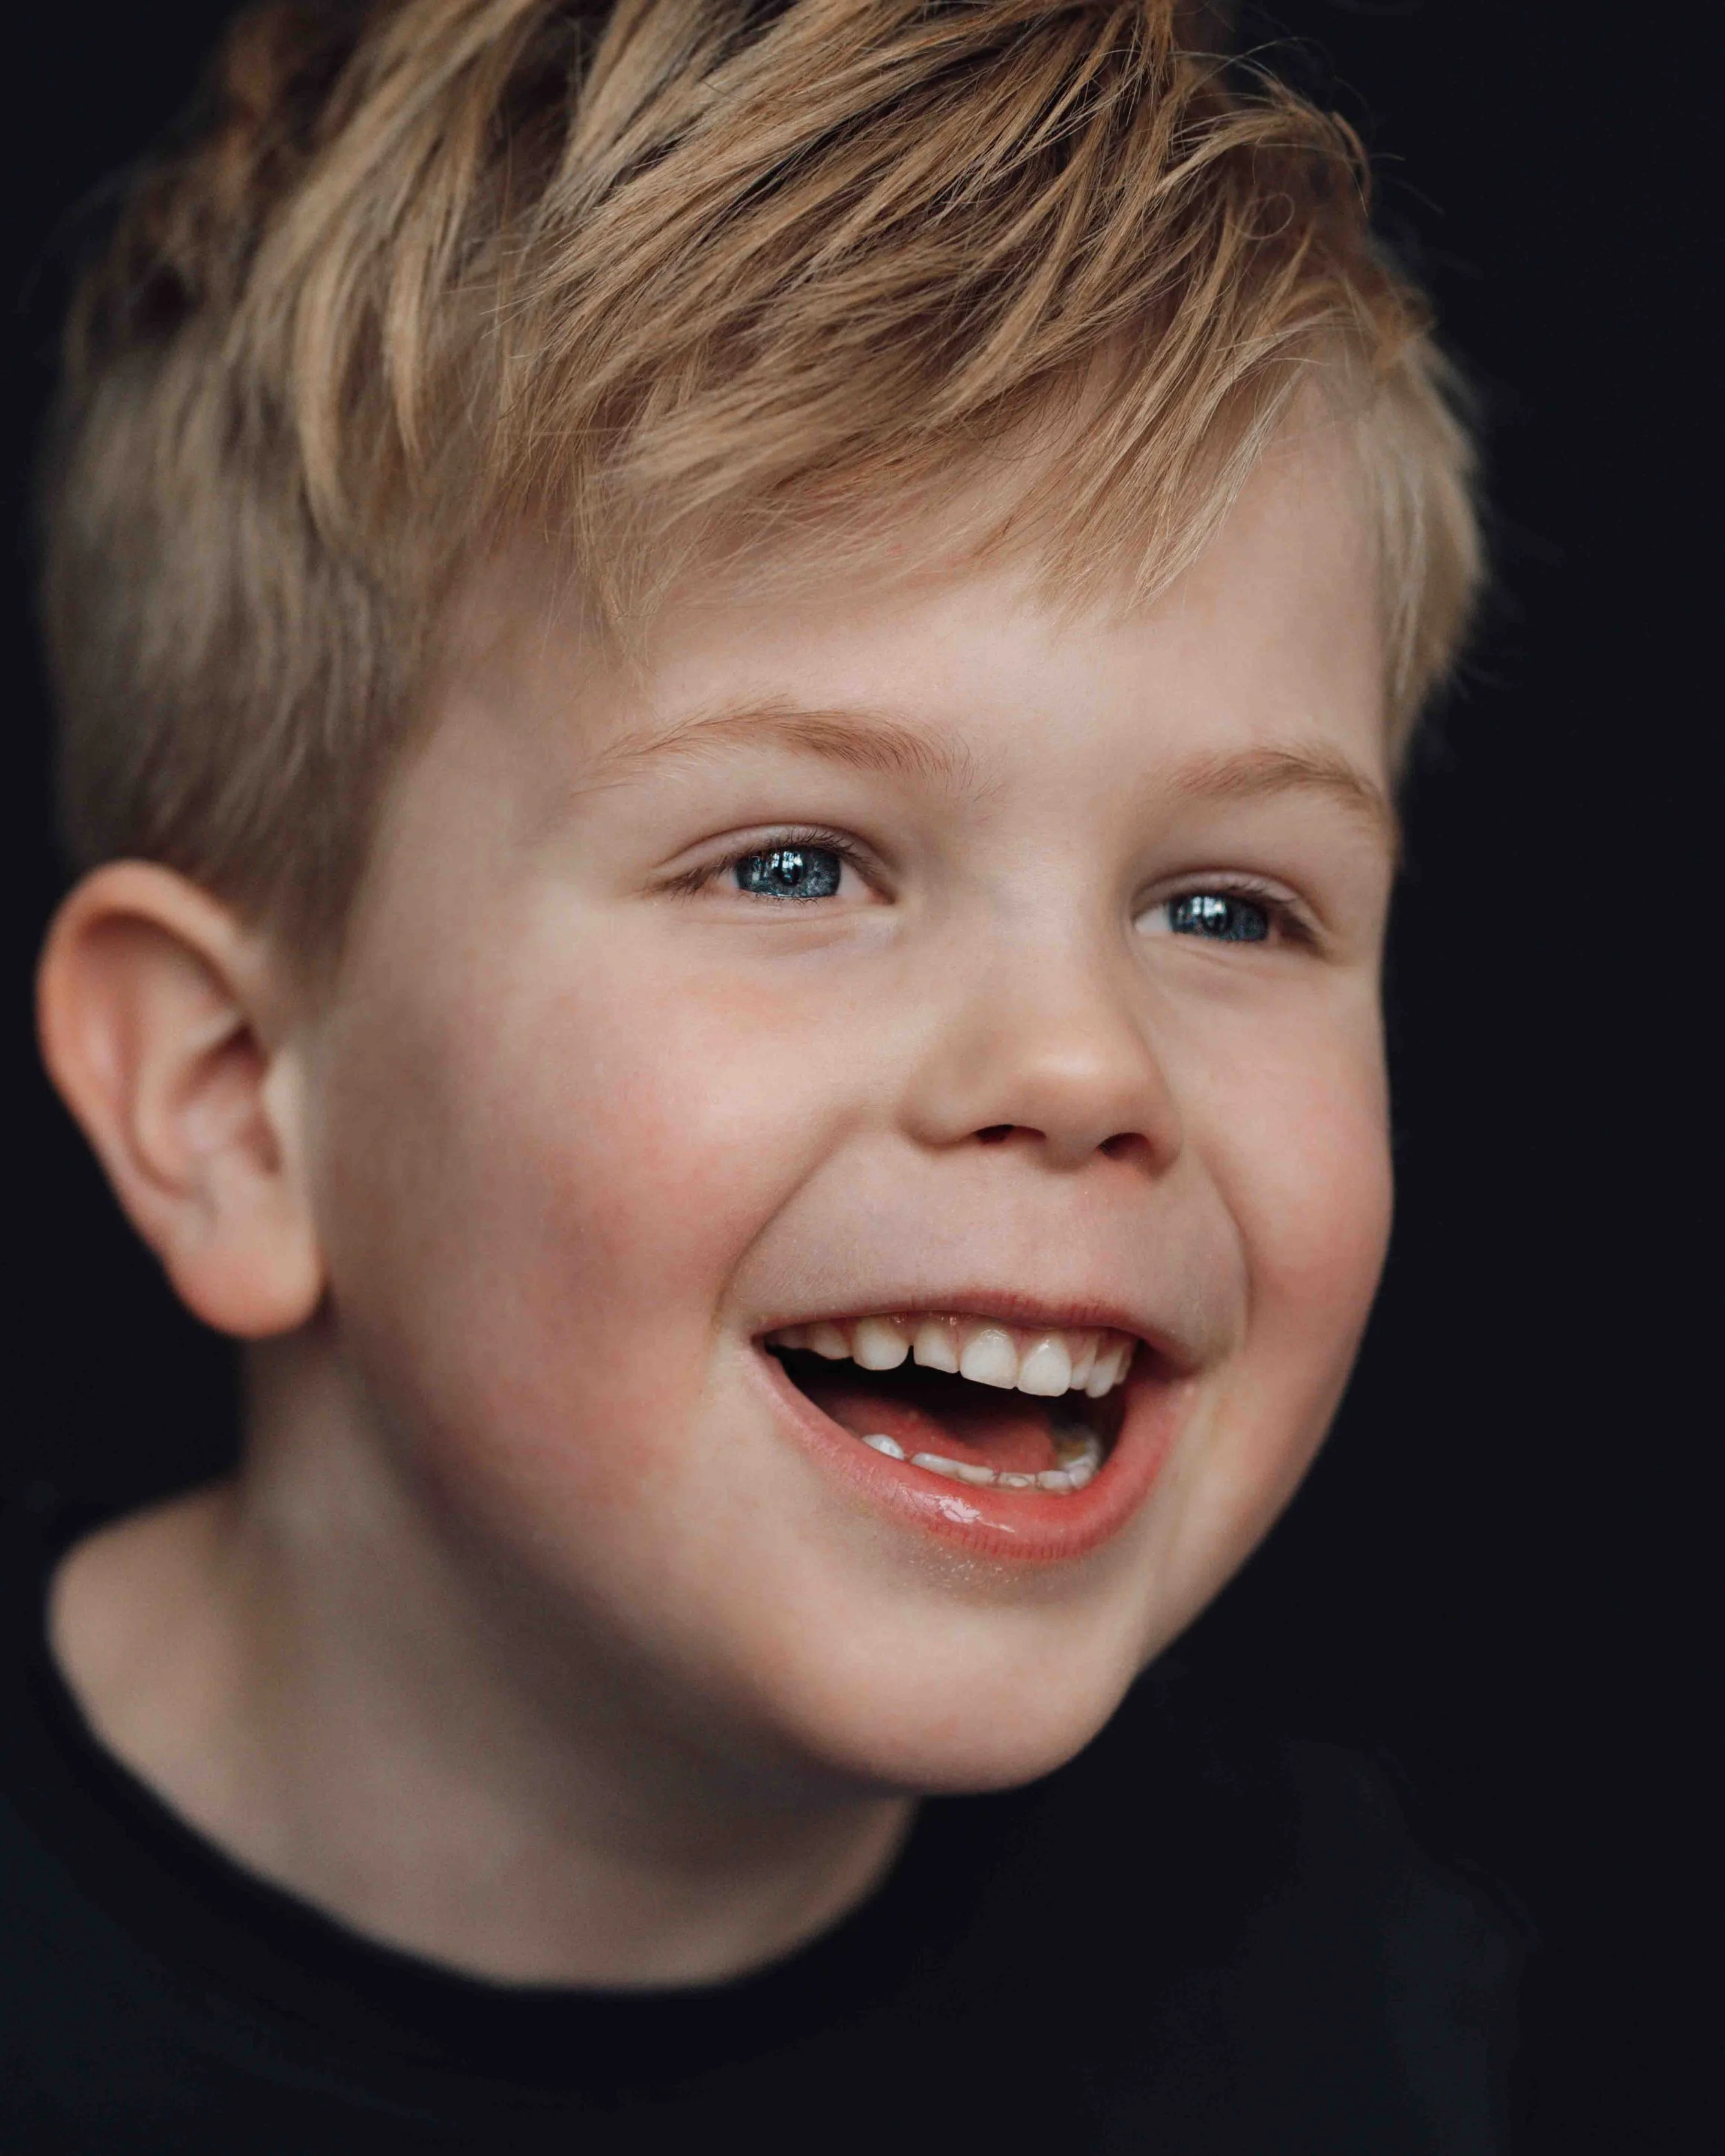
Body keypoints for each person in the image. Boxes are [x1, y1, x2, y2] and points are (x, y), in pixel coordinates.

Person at [2, 0, 1522, 2145]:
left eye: (1225, 908)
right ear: (237, 1098)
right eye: (796, 861)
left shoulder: (1382, 2013)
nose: (1088, 1060)